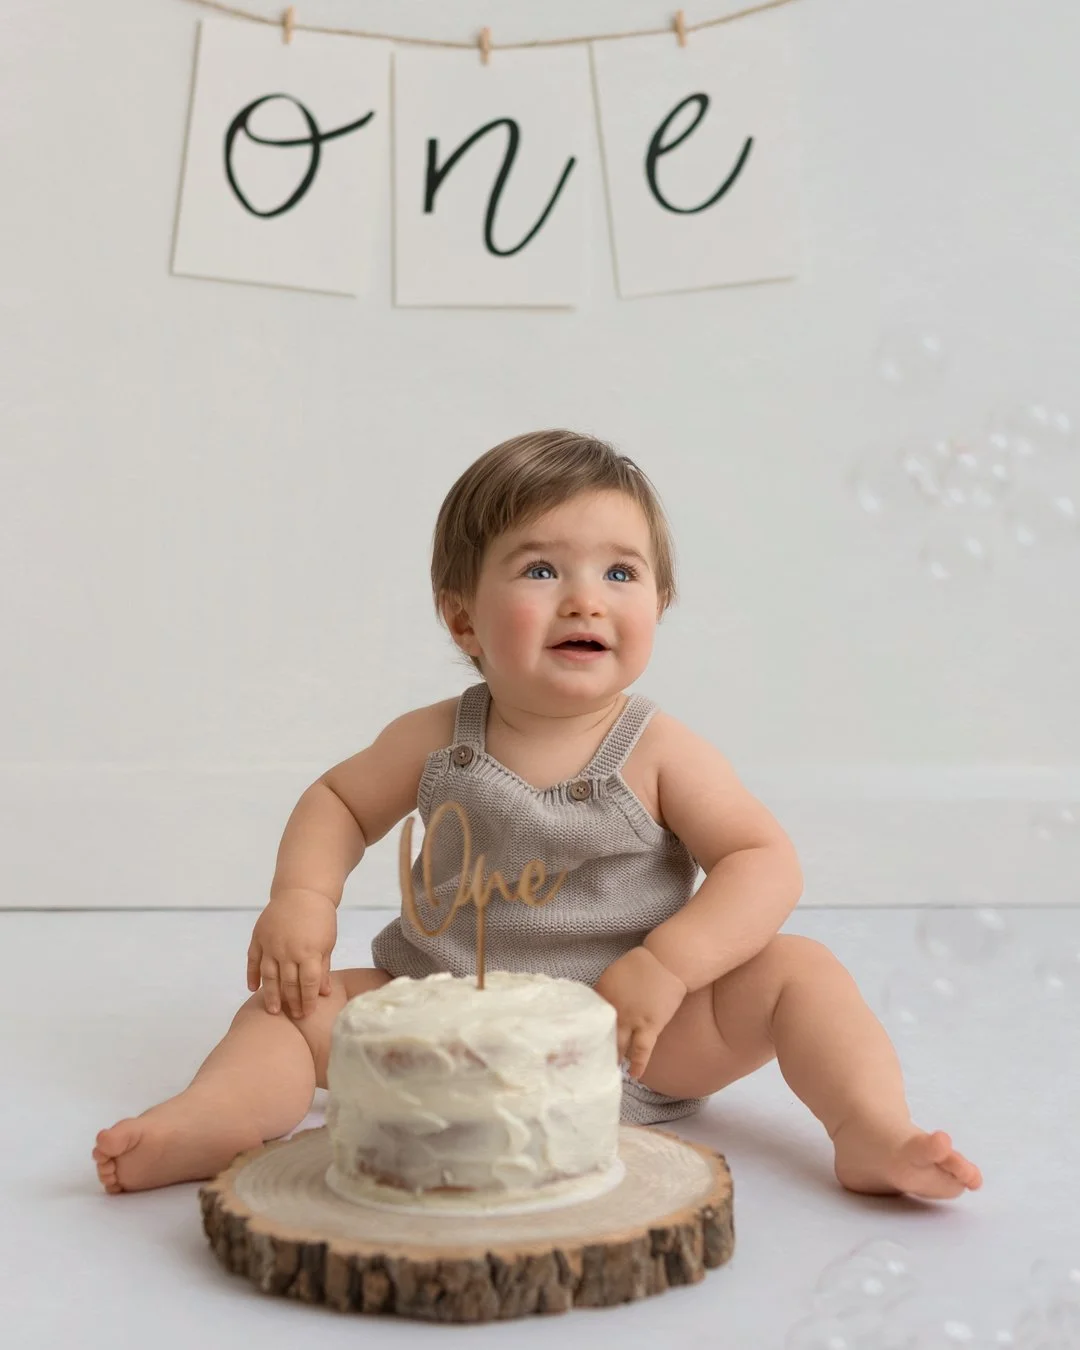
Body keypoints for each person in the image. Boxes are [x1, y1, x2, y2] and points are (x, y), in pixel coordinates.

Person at [94, 429, 982, 1200]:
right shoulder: (439, 737)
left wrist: (670, 966)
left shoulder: (658, 750)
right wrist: (302, 899)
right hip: (438, 1022)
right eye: (542, 568)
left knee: (803, 972)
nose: (585, 597)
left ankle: (869, 1129)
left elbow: (764, 860)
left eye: (620, 572)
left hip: (632, 1032)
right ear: (463, 619)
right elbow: (336, 800)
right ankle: (214, 1120)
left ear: (658, 608)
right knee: (286, 1012)